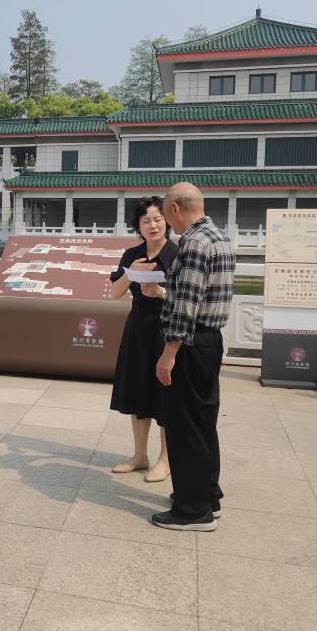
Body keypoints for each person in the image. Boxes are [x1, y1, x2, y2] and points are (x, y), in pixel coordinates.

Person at [142, 182, 235, 532]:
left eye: (166, 214)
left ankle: (192, 510)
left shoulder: (194, 242)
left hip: (190, 344)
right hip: (210, 341)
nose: (167, 222)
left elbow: (187, 304)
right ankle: (208, 495)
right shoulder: (219, 236)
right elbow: (200, 293)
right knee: (203, 421)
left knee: (184, 426)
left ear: (176, 209)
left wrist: (169, 353)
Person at [108, 196, 178, 482]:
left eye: (158, 219)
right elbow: (115, 293)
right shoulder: (132, 254)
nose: (153, 225)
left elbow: (190, 299)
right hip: (138, 330)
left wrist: (161, 293)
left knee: (165, 396)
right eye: (146, 220)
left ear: (167, 221)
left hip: (167, 332)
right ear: (138, 225)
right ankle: (140, 455)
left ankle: (165, 460)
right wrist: (132, 274)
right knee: (138, 392)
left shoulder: (177, 253)